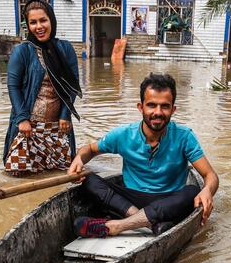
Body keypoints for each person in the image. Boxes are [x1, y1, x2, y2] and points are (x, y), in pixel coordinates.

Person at [68, 73, 219, 238]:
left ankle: (118, 226)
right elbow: (89, 149)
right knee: (88, 180)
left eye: (165, 106)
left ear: (173, 109)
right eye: (151, 105)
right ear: (141, 107)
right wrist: (78, 160)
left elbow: (210, 175)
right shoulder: (123, 134)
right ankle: (148, 222)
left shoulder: (184, 136)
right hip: (130, 201)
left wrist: (208, 191)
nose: (158, 112)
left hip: (169, 200)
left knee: (192, 191)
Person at [3, 0, 82, 175]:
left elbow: (72, 85)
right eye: (33, 22)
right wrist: (22, 119)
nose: (39, 26)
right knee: (20, 172)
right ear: (28, 26)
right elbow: (13, 86)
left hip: (58, 128)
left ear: (51, 21)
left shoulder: (65, 49)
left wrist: (65, 114)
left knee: (63, 172)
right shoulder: (22, 51)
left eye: (43, 20)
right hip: (28, 128)